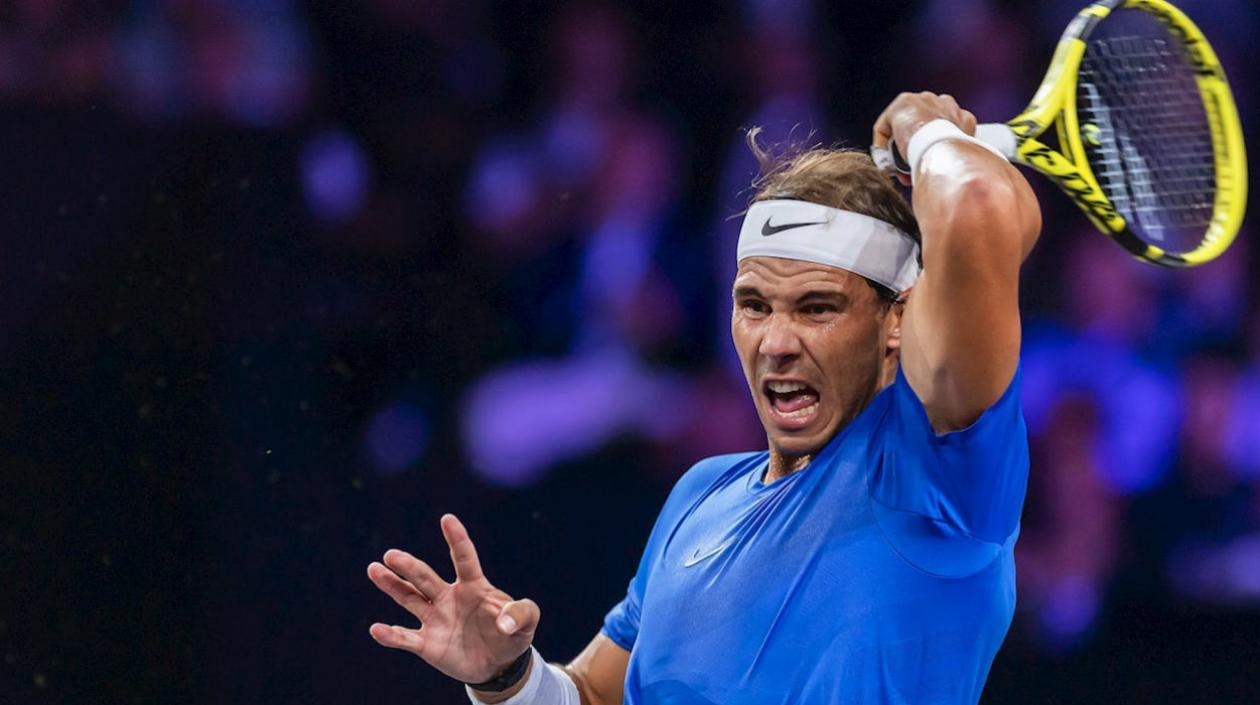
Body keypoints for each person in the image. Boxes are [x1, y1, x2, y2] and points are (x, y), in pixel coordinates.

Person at [365, 92, 1042, 704]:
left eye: (816, 308)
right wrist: (507, 677)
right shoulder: (701, 493)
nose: (775, 340)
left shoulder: (935, 477)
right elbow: (596, 696)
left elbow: (981, 209)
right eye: (754, 304)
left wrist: (923, 130)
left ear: (897, 322)